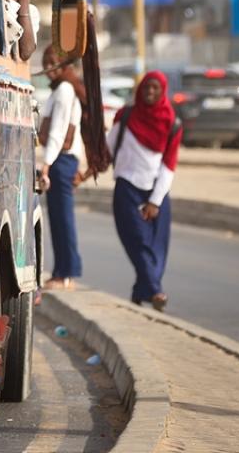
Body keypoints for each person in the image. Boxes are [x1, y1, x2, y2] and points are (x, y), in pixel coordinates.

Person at [107, 71, 182, 311]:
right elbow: (109, 149)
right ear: (140, 89)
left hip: (156, 193)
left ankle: (142, 290)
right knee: (138, 242)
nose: (150, 92)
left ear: (163, 91)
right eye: (146, 87)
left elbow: (169, 165)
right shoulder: (126, 115)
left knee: (158, 249)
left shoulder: (172, 122)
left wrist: (155, 202)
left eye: (155, 88)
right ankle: (156, 292)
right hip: (127, 188)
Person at [39, 45, 85, 290]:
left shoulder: (65, 90)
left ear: (64, 64)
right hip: (60, 160)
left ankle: (67, 273)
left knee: (63, 219)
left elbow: (58, 131)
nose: (48, 68)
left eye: (52, 63)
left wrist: (46, 165)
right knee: (57, 218)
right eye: (45, 62)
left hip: (61, 161)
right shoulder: (60, 89)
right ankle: (61, 271)